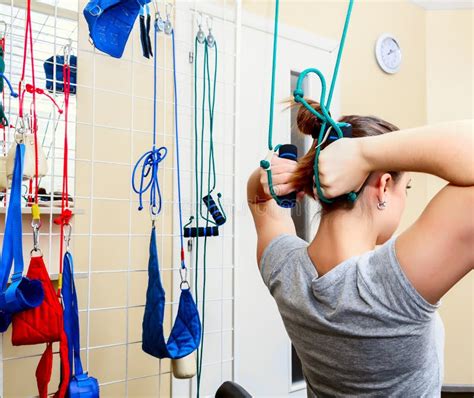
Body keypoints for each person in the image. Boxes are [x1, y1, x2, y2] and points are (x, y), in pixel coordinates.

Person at [247, 99, 473, 397]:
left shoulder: (284, 270)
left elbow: (260, 202)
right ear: (383, 186)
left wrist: (261, 180)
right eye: (405, 189)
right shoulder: (391, 287)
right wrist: (364, 154)